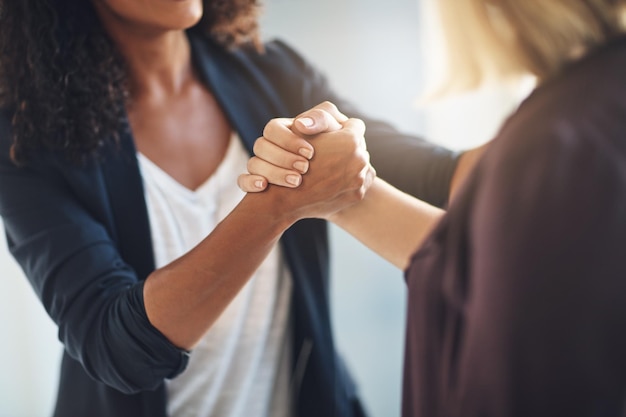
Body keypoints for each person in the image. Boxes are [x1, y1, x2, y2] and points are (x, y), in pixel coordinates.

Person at [0, 1, 478, 417]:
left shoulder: (269, 70)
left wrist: (550, 107)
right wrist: (277, 205)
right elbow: (118, 349)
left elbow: (441, 176)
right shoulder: (25, 141)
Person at [241, 0, 626, 416]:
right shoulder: (589, 109)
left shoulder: (561, 140)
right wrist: (337, 196)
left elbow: (498, 297)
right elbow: (487, 267)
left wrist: (329, 188)